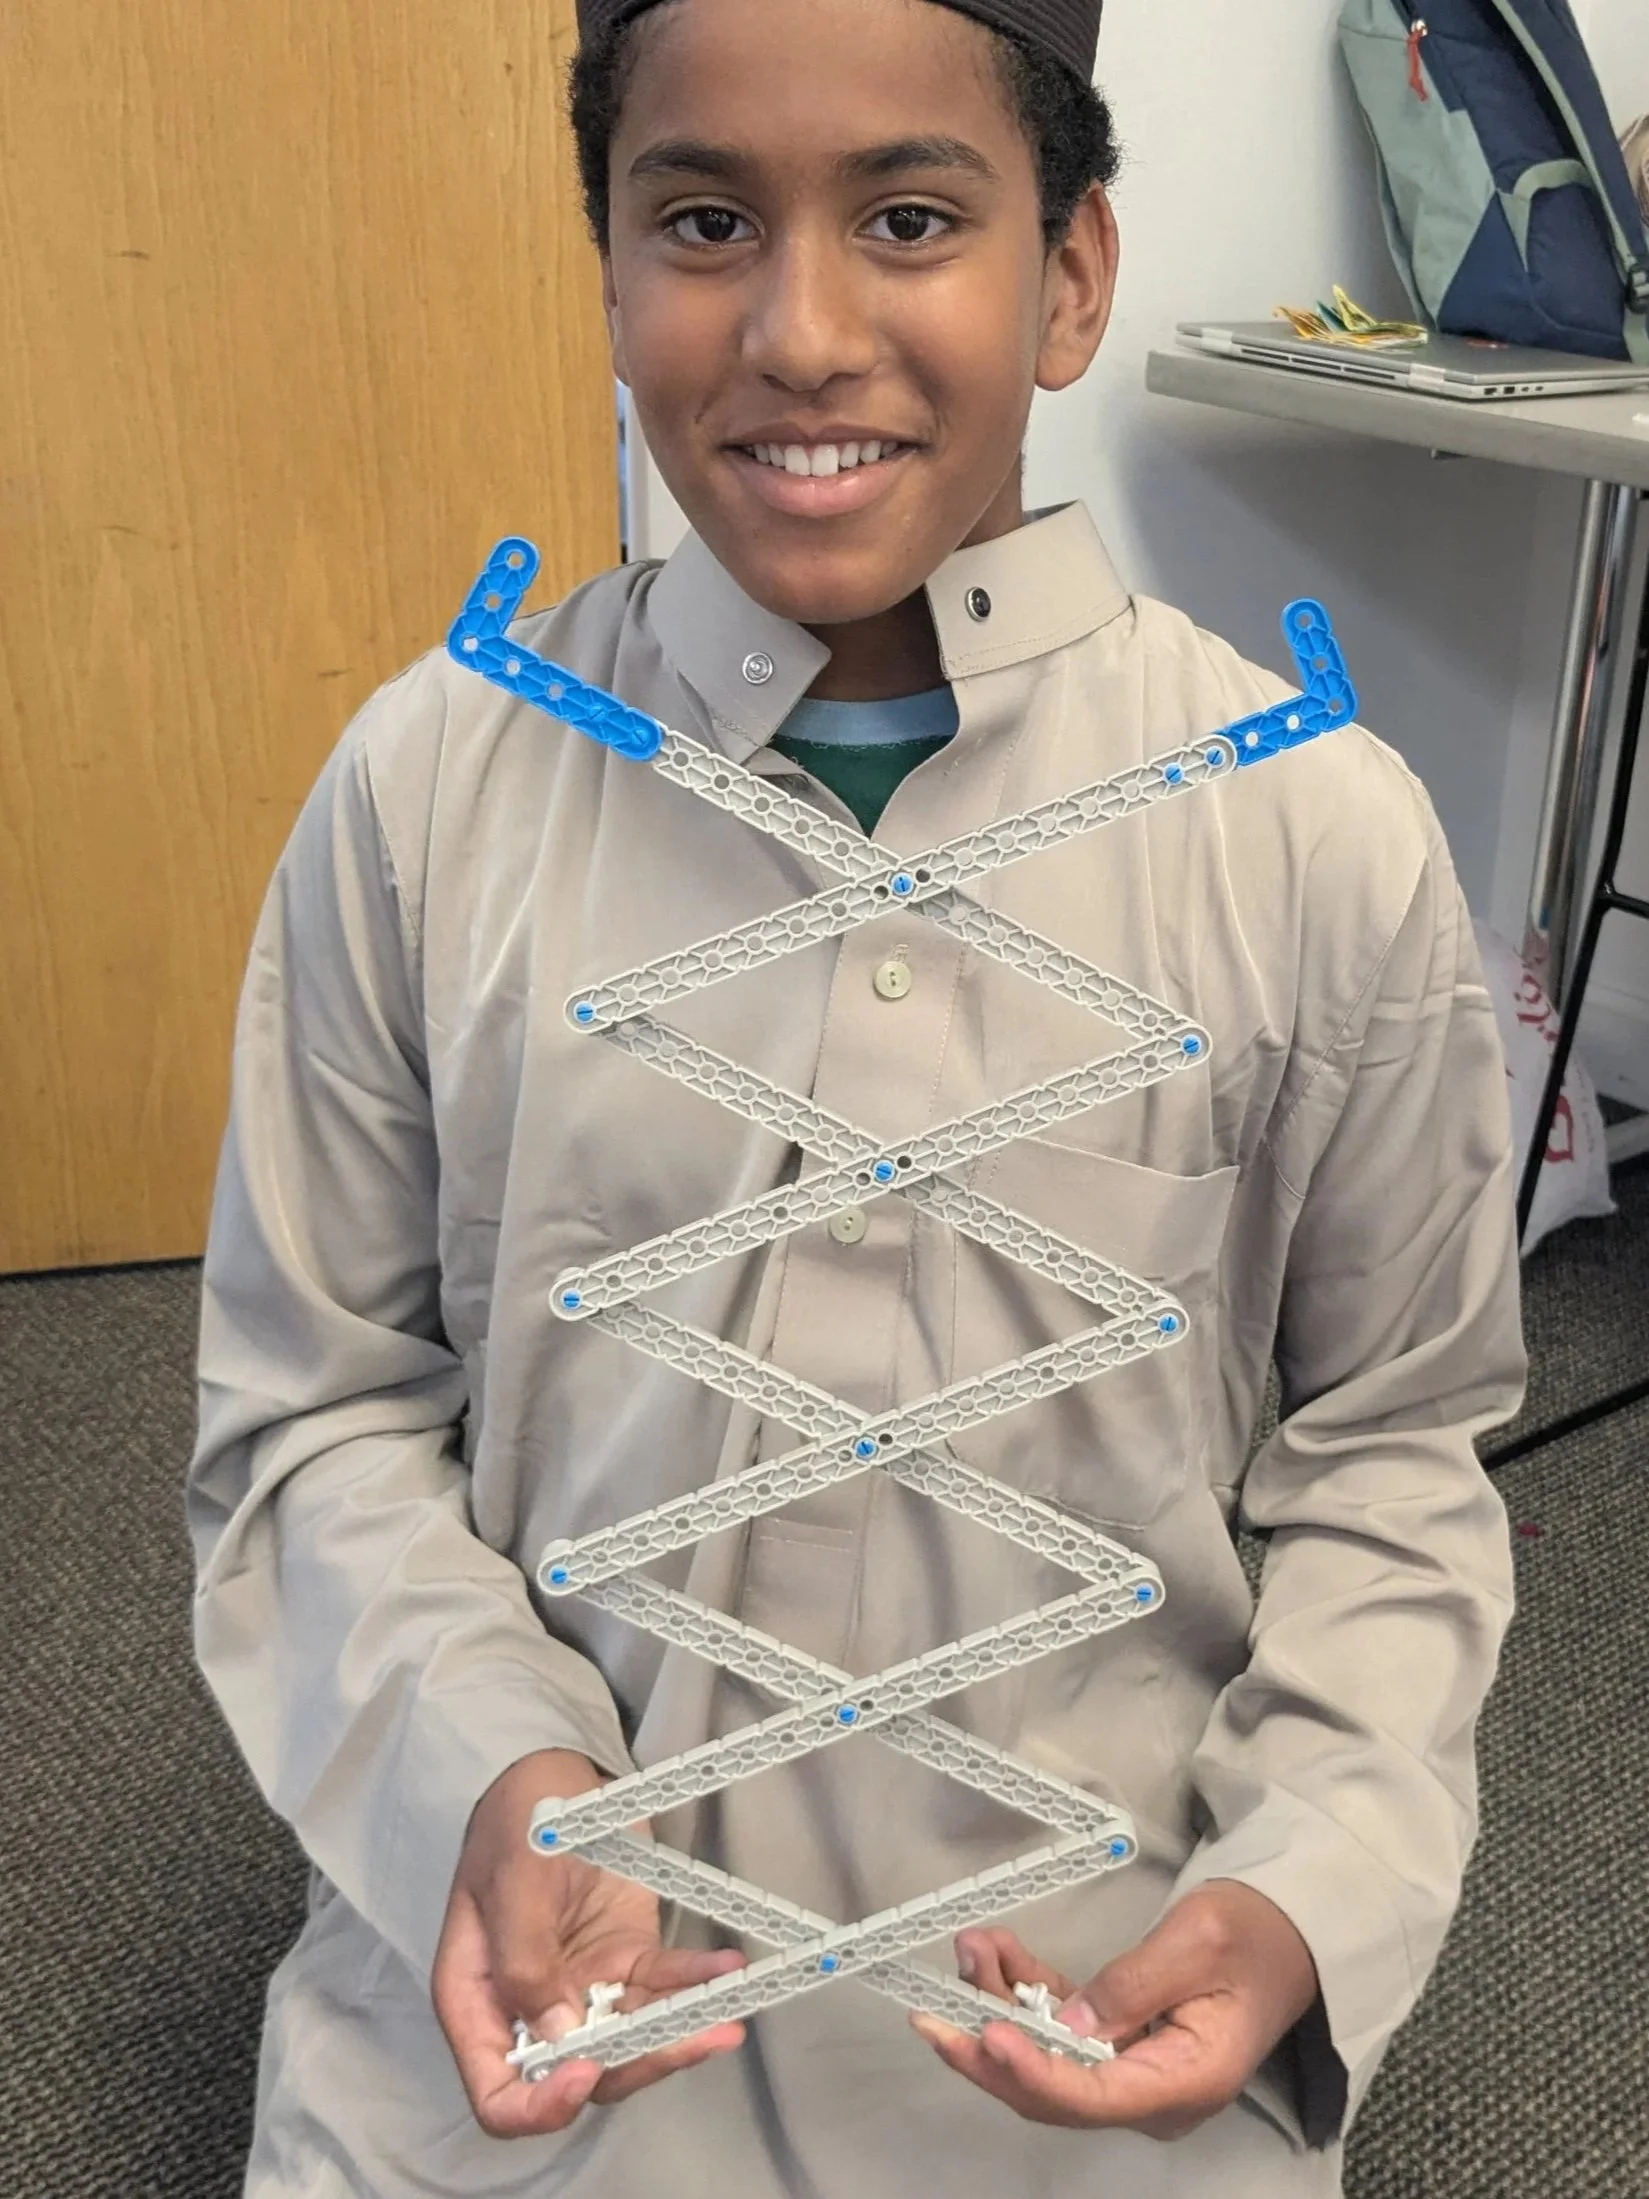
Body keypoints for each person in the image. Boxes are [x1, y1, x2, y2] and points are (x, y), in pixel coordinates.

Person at [186, 0, 1526, 2193]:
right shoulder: (428, 790)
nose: (801, 330)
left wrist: (1303, 1885)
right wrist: (489, 1778)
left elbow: (1387, 1451)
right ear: (608, 268)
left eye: (909, 217)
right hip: (531, 2000)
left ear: (1067, 273)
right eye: (701, 219)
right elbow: (311, 1414)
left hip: (1090, 2014)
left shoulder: (1310, 833)